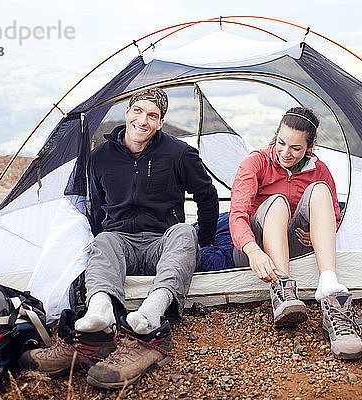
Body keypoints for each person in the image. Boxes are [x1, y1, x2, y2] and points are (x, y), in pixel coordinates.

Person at [20, 88, 219, 387]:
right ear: (127, 113)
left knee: (183, 232)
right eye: (138, 111)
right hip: (121, 242)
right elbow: (97, 208)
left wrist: (204, 242)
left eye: (153, 115)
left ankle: (151, 314)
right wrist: (104, 244)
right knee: (103, 240)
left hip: (162, 241)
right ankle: (100, 312)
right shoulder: (100, 157)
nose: (143, 120)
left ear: (161, 123)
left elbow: (207, 195)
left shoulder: (180, 153)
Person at [229, 106, 362, 360]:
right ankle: (282, 289)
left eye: (295, 148)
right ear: (275, 136)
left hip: (294, 244)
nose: (285, 153)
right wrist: (253, 250)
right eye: (281, 143)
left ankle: (329, 287)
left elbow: (333, 216)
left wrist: (315, 235)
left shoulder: (318, 169)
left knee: (321, 189)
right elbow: (236, 214)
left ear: (309, 147)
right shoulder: (256, 162)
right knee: (277, 201)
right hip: (255, 251)